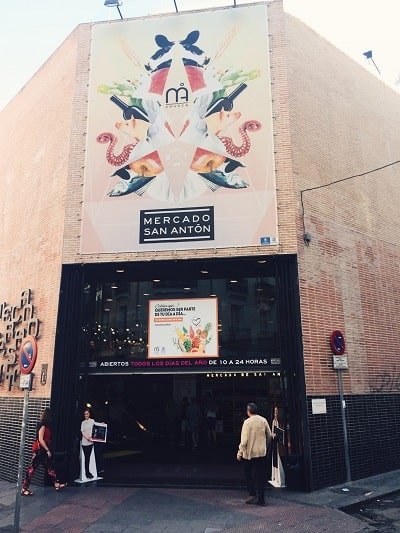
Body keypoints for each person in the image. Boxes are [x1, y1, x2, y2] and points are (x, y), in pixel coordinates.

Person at [22, 408, 66, 496]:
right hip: (39, 450)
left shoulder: (47, 426)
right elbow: (41, 439)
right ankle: (24, 488)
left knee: (49, 467)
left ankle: (57, 484)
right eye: (51, 417)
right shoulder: (42, 426)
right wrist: (47, 450)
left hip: (43, 451)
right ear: (48, 417)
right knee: (32, 469)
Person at [237, 402, 272, 506]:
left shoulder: (247, 422)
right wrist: (264, 446)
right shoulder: (263, 420)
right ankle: (261, 500)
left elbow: (244, 440)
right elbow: (269, 435)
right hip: (261, 453)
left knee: (248, 473)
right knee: (260, 475)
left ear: (248, 411)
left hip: (249, 453)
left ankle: (252, 493)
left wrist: (239, 452)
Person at [269, 406, 286, 488]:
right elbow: (272, 432)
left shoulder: (281, 422)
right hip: (275, 443)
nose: (275, 414)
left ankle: (280, 477)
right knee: (275, 458)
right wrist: (273, 435)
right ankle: (275, 476)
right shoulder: (274, 421)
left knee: (278, 457)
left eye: (276, 412)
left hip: (280, 444)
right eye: (274, 412)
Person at [81, 408, 95, 479]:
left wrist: (102, 424)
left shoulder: (92, 421)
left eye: (87, 414)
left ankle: (87, 472)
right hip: (84, 442)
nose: (86, 415)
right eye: (85, 414)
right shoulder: (82, 422)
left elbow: (96, 427)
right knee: (86, 457)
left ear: (89, 414)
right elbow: (82, 431)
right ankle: (87, 473)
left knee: (88, 458)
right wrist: (87, 438)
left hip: (90, 442)